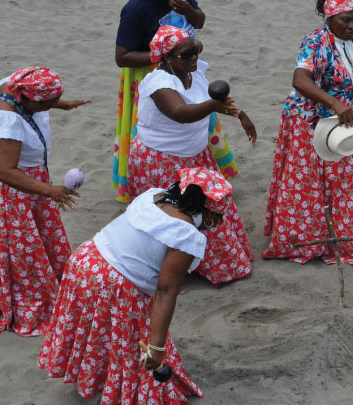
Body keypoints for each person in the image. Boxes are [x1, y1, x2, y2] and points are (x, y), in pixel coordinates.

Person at [38, 168, 231, 403]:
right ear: (209, 214)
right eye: (219, 217)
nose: (219, 222)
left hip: (86, 260)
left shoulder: (153, 196)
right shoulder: (187, 235)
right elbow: (165, 291)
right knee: (133, 343)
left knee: (97, 330)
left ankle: (96, 377)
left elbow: (145, 244)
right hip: (114, 283)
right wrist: (156, 349)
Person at [0, 67, 90, 336]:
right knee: (19, 248)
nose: (49, 106)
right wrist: (49, 191)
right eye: (47, 102)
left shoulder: (14, 86)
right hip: (9, 189)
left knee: (23, 243)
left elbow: (37, 99)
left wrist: (61, 104)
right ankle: (21, 302)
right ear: (30, 100)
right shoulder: (7, 123)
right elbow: (6, 171)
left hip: (25, 183)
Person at [262, 0, 353, 266]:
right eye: (345, 20)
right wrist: (335, 103)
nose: (351, 26)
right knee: (313, 183)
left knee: (346, 180)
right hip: (316, 123)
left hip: (346, 121)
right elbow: (300, 80)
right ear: (329, 19)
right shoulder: (316, 42)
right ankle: (314, 236)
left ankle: (345, 232)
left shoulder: (347, 41)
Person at [127, 25, 256, 284]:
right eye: (186, 55)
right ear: (166, 58)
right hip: (161, 161)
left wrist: (239, 114)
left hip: (196, 156)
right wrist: (215, 105)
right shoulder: (159, 82)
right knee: (170, 220)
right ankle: (164, 278)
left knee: (204, 215)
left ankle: (197, 266)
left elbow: (209, 100)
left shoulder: (191, 71)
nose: (193, 57)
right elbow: (180, 114)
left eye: (194, 51)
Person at [112, 0, 238, 202]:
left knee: (200, 118)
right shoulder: (135, 10)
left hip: (182, 64)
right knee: (157, 128)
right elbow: (122, 57)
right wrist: (163, 55)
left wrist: (187, 10)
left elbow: (200, 21)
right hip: (152, 74)